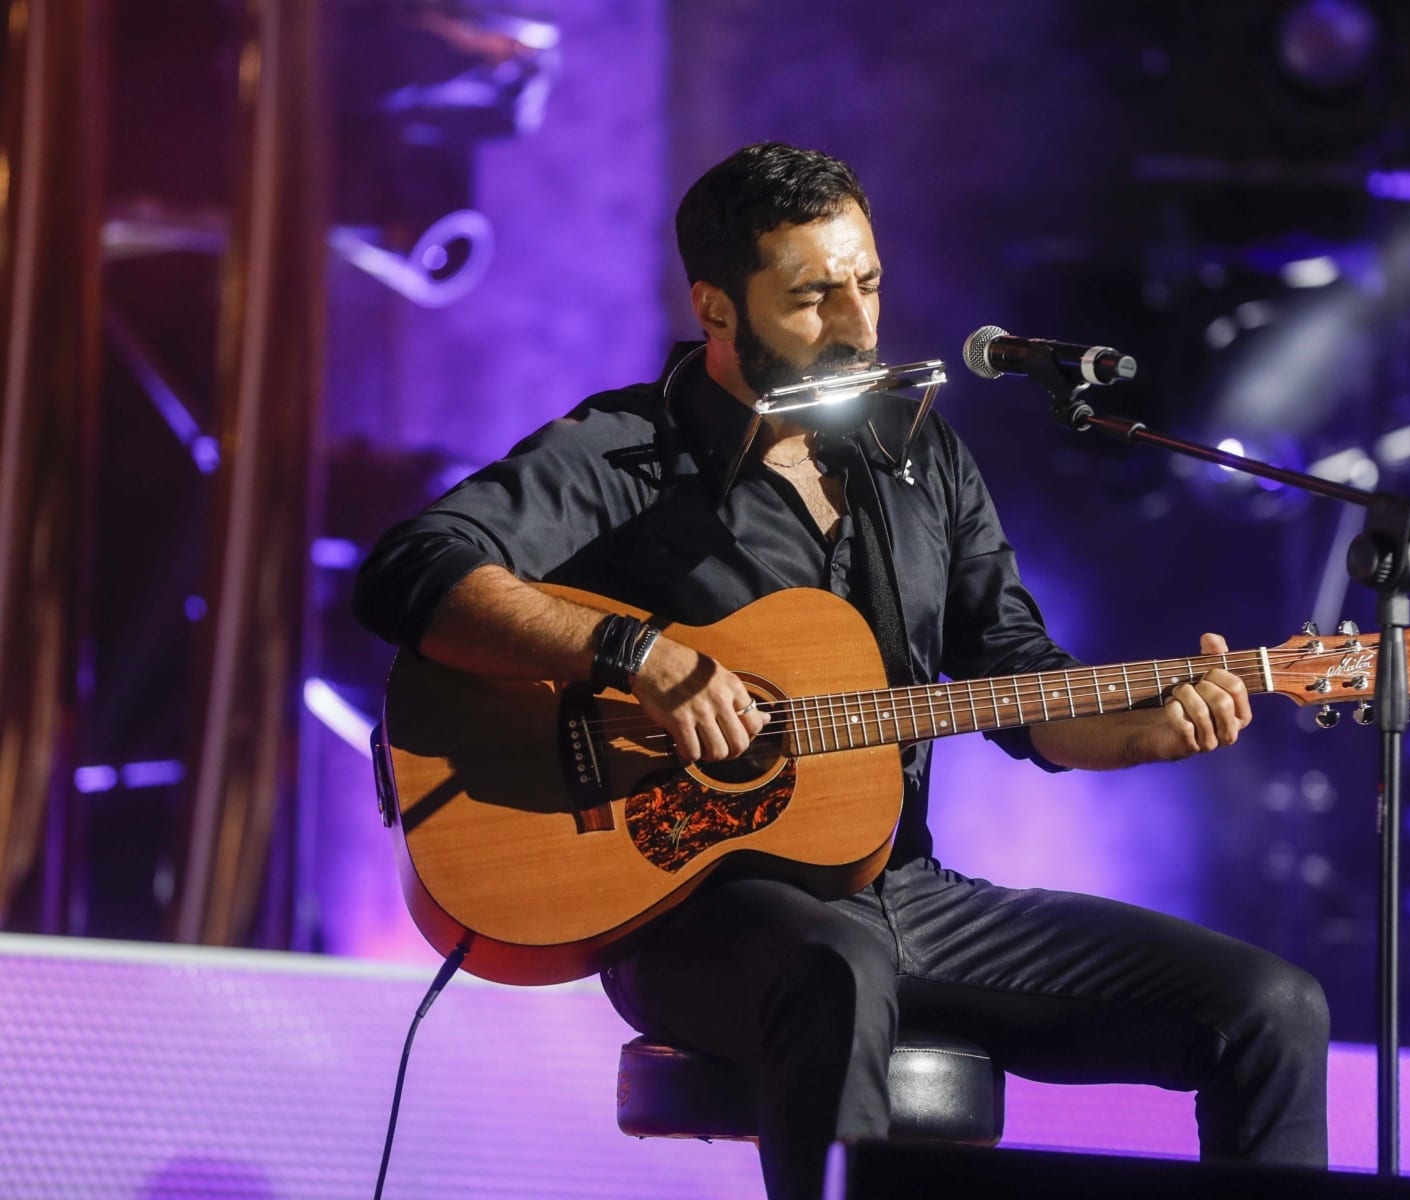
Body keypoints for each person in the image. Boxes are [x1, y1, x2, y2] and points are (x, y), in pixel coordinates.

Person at [354, 142, 1328, 1200]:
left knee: (1271, 1009)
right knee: (839, 966)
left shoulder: (921, 458)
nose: (858, 326)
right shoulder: (626, 450)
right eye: (813, 298)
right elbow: (411, 570)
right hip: (697, 915)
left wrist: (1138, 731)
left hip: (906, 892)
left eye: (867, 283)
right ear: (716, 308)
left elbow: (1015, 676)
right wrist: (642, 656)